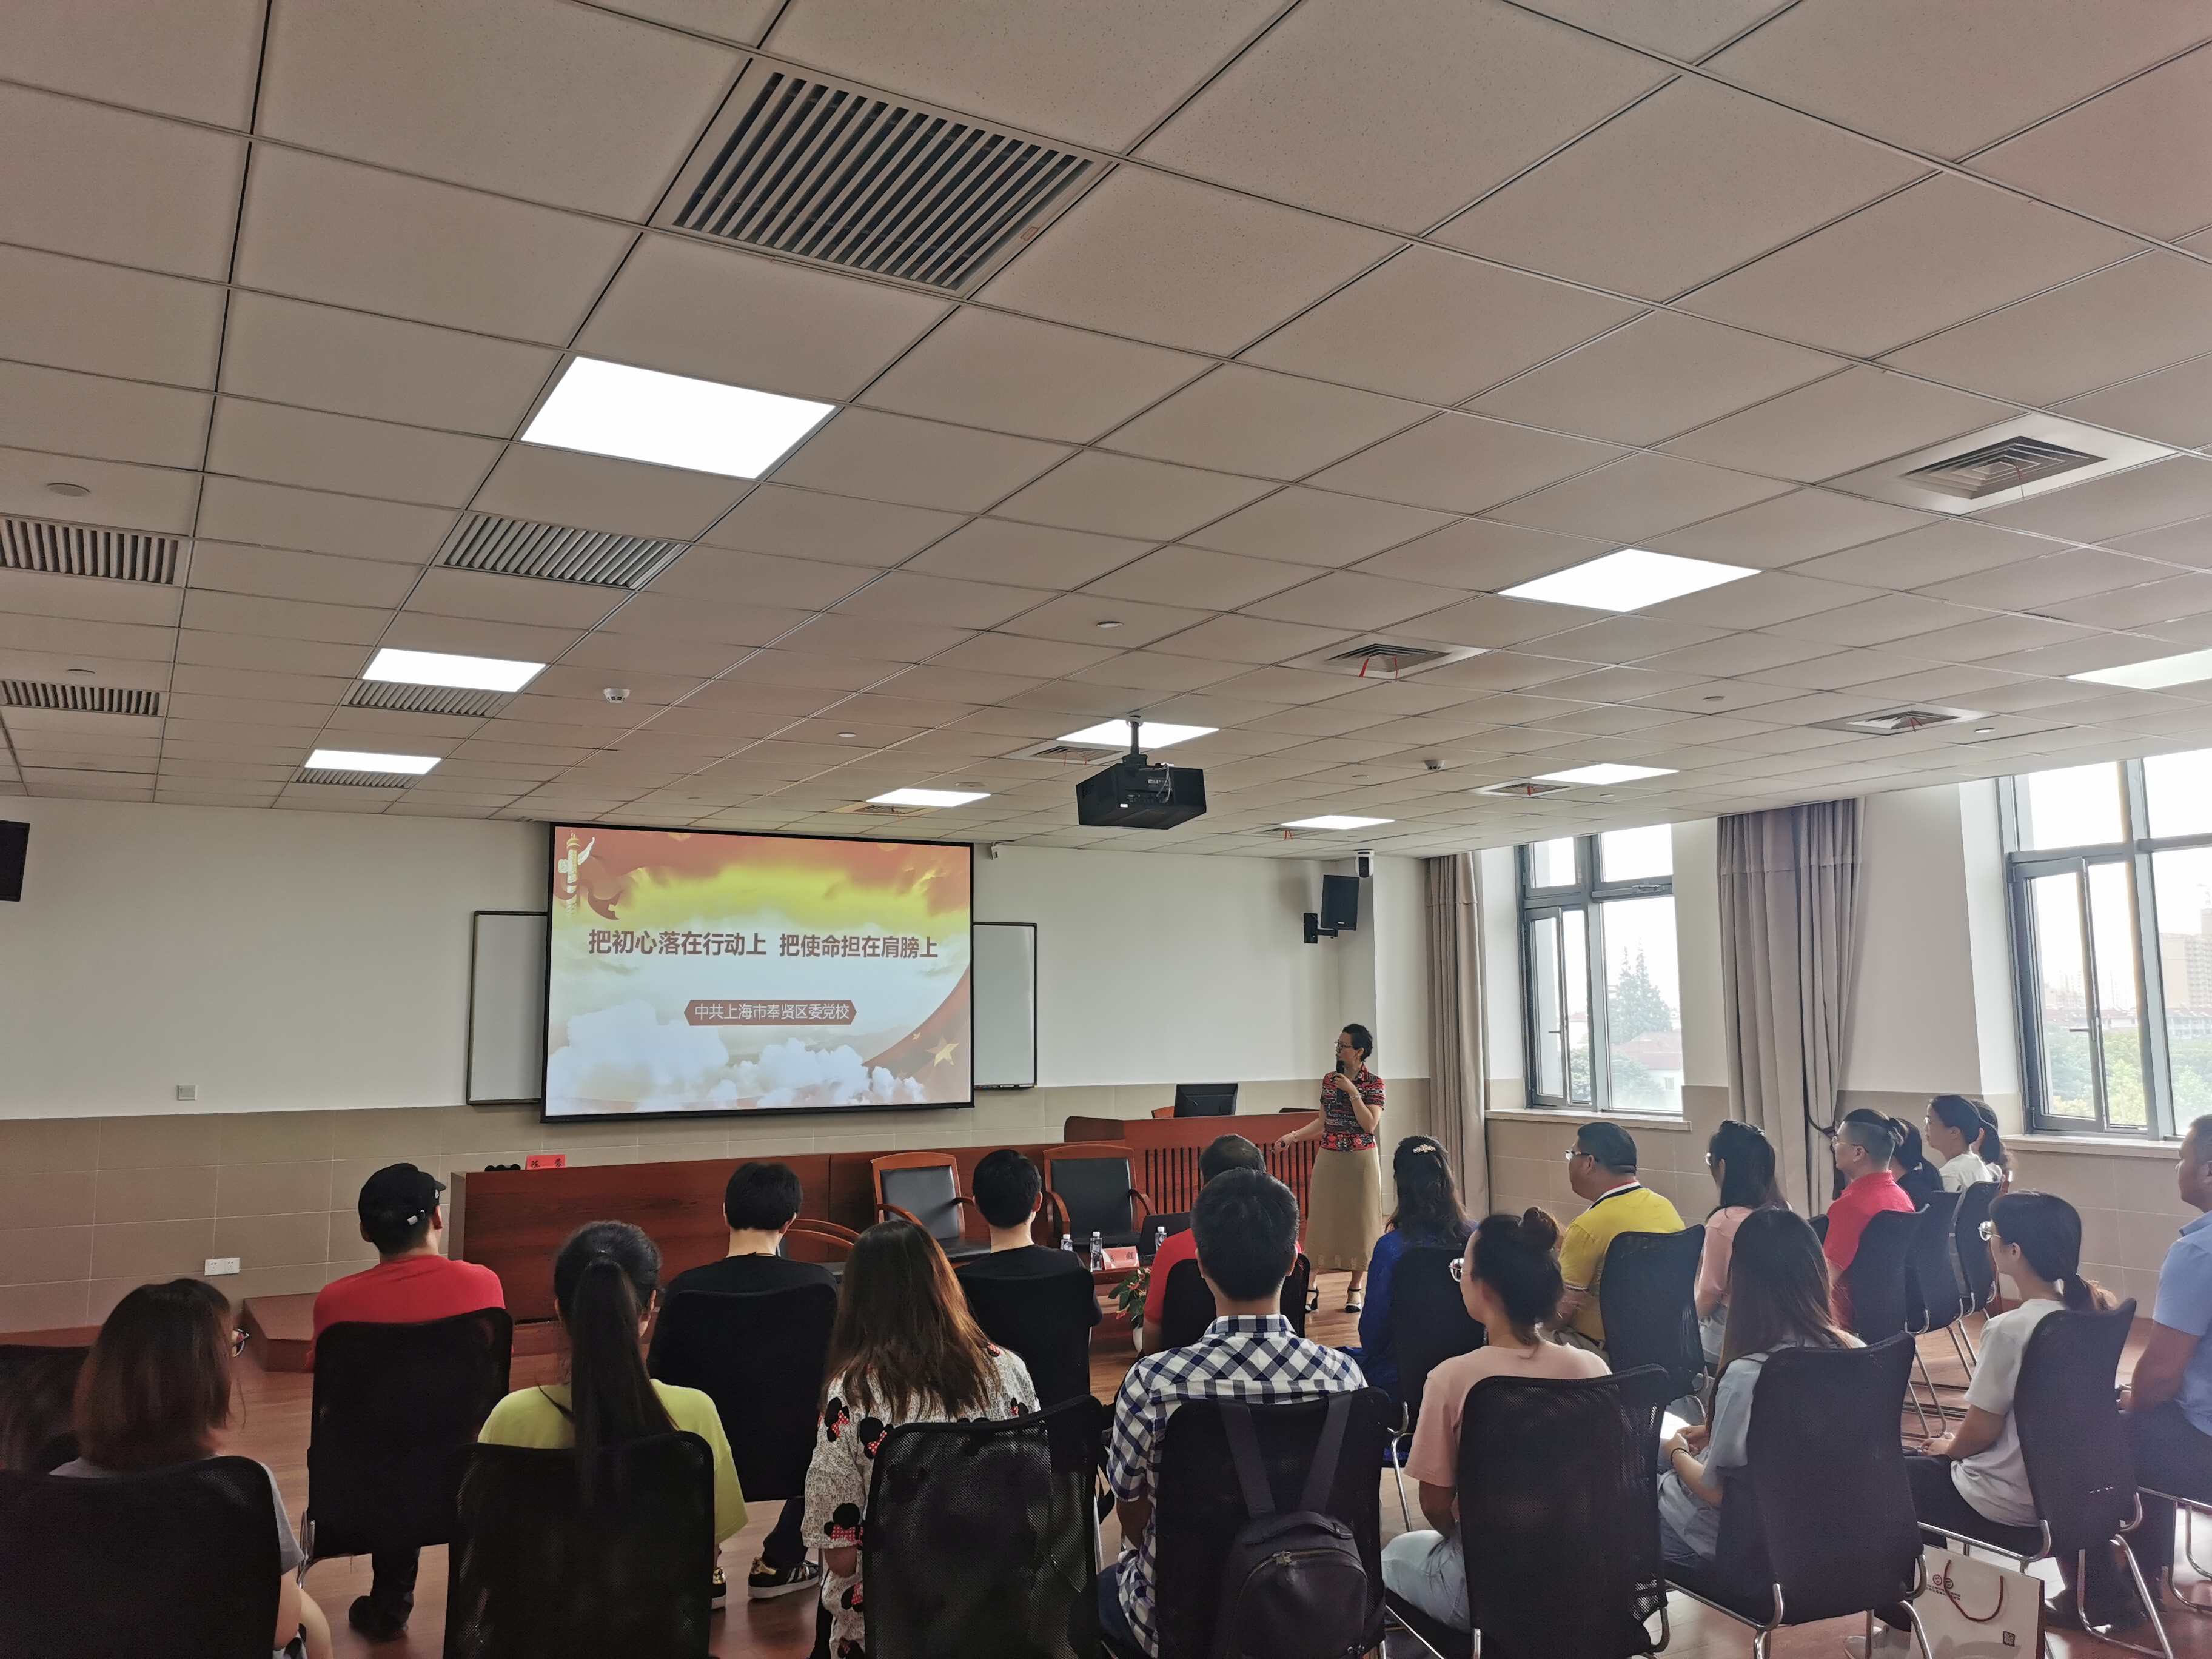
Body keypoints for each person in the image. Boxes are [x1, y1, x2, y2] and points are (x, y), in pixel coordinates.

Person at [1103, 1167, 1366, 1656]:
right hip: (1314, 1613)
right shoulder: (1344, 1376)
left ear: (1201, 1265)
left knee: (1101, 1587)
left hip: (1183, 1623)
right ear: (1294, 1262)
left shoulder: (1154, 1382)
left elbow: (1132, 1516)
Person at [1871, 1193, 2116, 1653]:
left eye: (1991, 1234)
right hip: (2071, 1495)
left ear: (2014, 1251)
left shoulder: (2010, 1328)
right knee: (1915, 1470)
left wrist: (1948, 1447)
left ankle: (1903, 1635)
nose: (1988, 1243)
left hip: (2007, 1501)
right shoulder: (2090, 1314)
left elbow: (1981, 1431)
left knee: (1890, 1480)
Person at [56, 1279, 332, 1659]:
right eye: (231, 1348)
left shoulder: (47, 1492)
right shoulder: (240, 1488)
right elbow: (281, 1629)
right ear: (208, 1382)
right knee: (313, 1623)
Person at [804, 1218, 1039, 1659]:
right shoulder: (1009, 1369)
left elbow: (841, 1558)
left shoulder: (852, 1393)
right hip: (996, 1610)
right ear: (943, 1285)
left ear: (857, 1300)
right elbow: (1032, 1496)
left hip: (894, 1626)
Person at [480, 1223, 746, 1603]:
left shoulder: (511, 1417)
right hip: (657, 1629)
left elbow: (489, 1554)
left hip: (538, 1628)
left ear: (560, 1310)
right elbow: (704, 1555)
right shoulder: (696, 1413)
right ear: (649, 1306)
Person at [1381, 1208, 1607, 1634]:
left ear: (1482, 1287)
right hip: (1586, 1582)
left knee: (1391, 1556)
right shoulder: (1593, 1370)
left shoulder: (1452, 1378)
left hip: (1487, 1593)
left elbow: (1434, 1505)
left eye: (1462, 1269)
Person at [309, 1162, 504, 1640]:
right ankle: (478, 1617)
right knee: (429, 1434)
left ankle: (390, 1604)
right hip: (462, 1469)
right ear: (437, 1219)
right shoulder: (483, 1285)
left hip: (366, 1479)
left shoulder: (335, 1302)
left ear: (365, 1232)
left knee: (394, 1439)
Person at [651, 1161, 831, 1603]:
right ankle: (781, 1560)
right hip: (797, 1457)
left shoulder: (685, 1290)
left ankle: (705, 1567)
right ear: (790, 1221)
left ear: (725, 1213)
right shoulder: (820, 1285)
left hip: (707, 1456)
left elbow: (659, 1385)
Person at [1658, 1209, 1854, 1568]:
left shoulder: (1747, 1375)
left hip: (1734, 1541)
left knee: (1619, 1503)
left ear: (1741, 1283)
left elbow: (1717, 1492)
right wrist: (1715, 1430)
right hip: (1820, 1531)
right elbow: (1803, 1435)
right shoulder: (1854, 1351)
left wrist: (1676, 1453)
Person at [2120, 1115, 2212, 1606]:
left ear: (2208, 1172)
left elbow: (2158, 1376)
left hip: (2205, 1445)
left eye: (2181, 1159)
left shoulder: (2198, 1253)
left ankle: (2128, 1590)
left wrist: (2131, 1405)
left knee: (2109, 1434)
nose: (2177, 1168)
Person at [1349, 1136, 1471, 1401]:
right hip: (1469, 1377)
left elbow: (1372, 1337)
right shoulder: (1478, 1239)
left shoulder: (1391, 1249)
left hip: (1402, 1377)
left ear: (1400, 1184)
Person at [1553, 1121, 1684, 1353]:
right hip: (1661, 1347)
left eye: (1571, 1155)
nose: (1569, 1162)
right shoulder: (1664, 1208)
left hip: (1601, 1353)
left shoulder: (1588, 1227)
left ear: (1589, 1163)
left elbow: (1559, 1314)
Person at [1280, 1024, 1386, 1310]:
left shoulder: (1374, 1084)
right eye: (1337, 1045)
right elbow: (1322, 1121)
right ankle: (1311, 1286)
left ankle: (1355, 1288)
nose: (1338, 1050)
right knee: (1322, 1220)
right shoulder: (1329, 1080)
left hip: (1361, 1160)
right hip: (1329, 1156)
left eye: (1344, 1045)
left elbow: (1369, 1125)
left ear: (1359, 1051)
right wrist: (1293, 1136)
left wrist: (1353, 1092)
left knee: (1360, 1221)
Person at [1138, 1133, 1264, 1354]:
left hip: (1183, 1366)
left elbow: (1152, 1334)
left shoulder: (1173, 1249)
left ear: (1205, 1186)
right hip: (1269, 1360)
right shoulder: (1286, 1244)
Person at [1695, 1121, 1782, 1366]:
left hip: (1733, 1332)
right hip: (1777, 1328)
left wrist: (1685, 1320)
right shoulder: (1783, 1211)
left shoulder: (1724, 1221)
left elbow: (1709, 1297)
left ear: (1723, 1166)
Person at [1823, 1116, 1915, 1331]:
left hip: (1845, 1315)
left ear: (1858, 1153)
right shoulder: (1902, 1197)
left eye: (1838, 1141)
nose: (1834, 1146)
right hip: (1891, 1310)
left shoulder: (1851, 1206)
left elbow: (1827, 1277)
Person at [1925, 1096, 2004, 1193]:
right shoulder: (1976, 1163)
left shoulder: (1952, 1175)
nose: (1925, 1128)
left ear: (1954, 1132)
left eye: (1930, 1122)